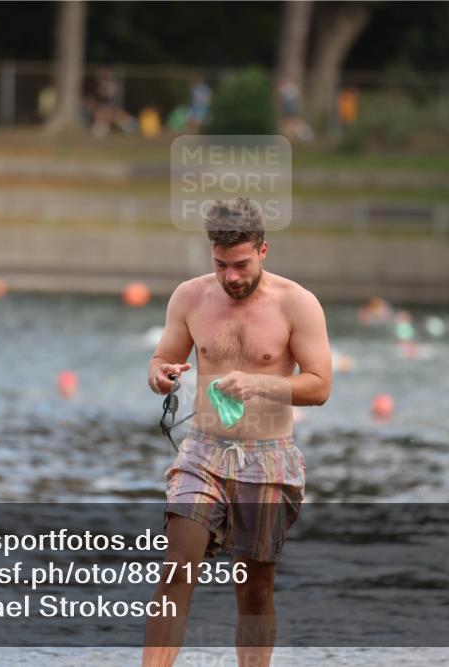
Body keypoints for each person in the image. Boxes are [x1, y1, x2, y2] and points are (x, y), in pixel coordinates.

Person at [144, 197, 332, 666]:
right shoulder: (190, 296)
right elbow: (158, 361)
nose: (231, 276)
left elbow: (320, 386)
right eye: (221, 264)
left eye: (242, 264)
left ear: (264, 251)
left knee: (254, 589)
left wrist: (258, 383)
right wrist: (160, 376)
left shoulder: (297, 304)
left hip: (269, 457)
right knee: (176, 570)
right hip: (202, 452)